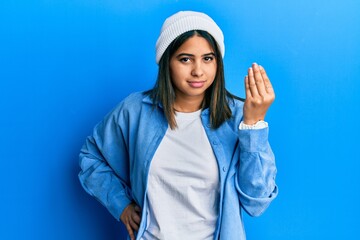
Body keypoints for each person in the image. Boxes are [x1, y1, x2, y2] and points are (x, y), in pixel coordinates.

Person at [78, 10, 278, 240]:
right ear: (167, 62)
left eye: (208, 58)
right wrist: (120, 205)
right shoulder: (135, 111)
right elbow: (91, 157)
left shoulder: (237, 117)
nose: (198, 70)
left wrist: (253, 124)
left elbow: (257, 201)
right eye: (185, 59)